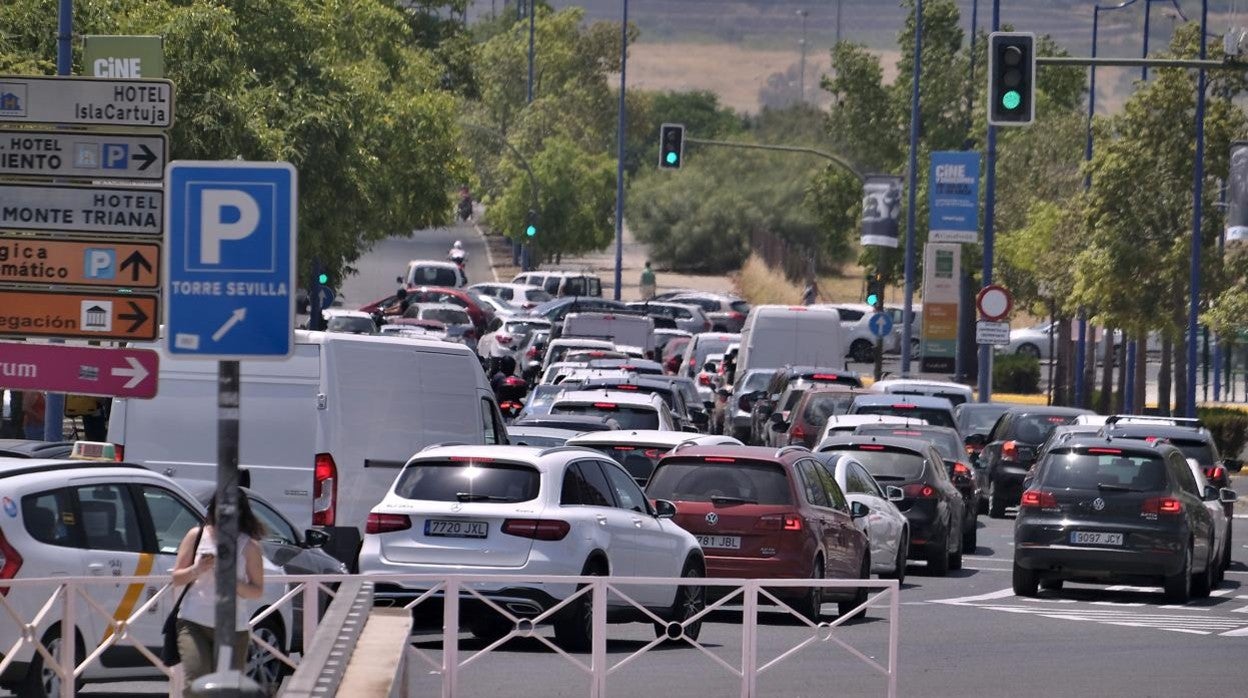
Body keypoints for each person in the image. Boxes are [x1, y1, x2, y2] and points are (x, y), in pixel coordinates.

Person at [171, 494, 266, 697]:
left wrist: (233, 581)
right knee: (195, 683)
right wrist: (197, 569)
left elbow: (257, 590)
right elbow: (177, 578)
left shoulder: (249, 546)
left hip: (233, 627)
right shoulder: (196, 536)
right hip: (193, 621)